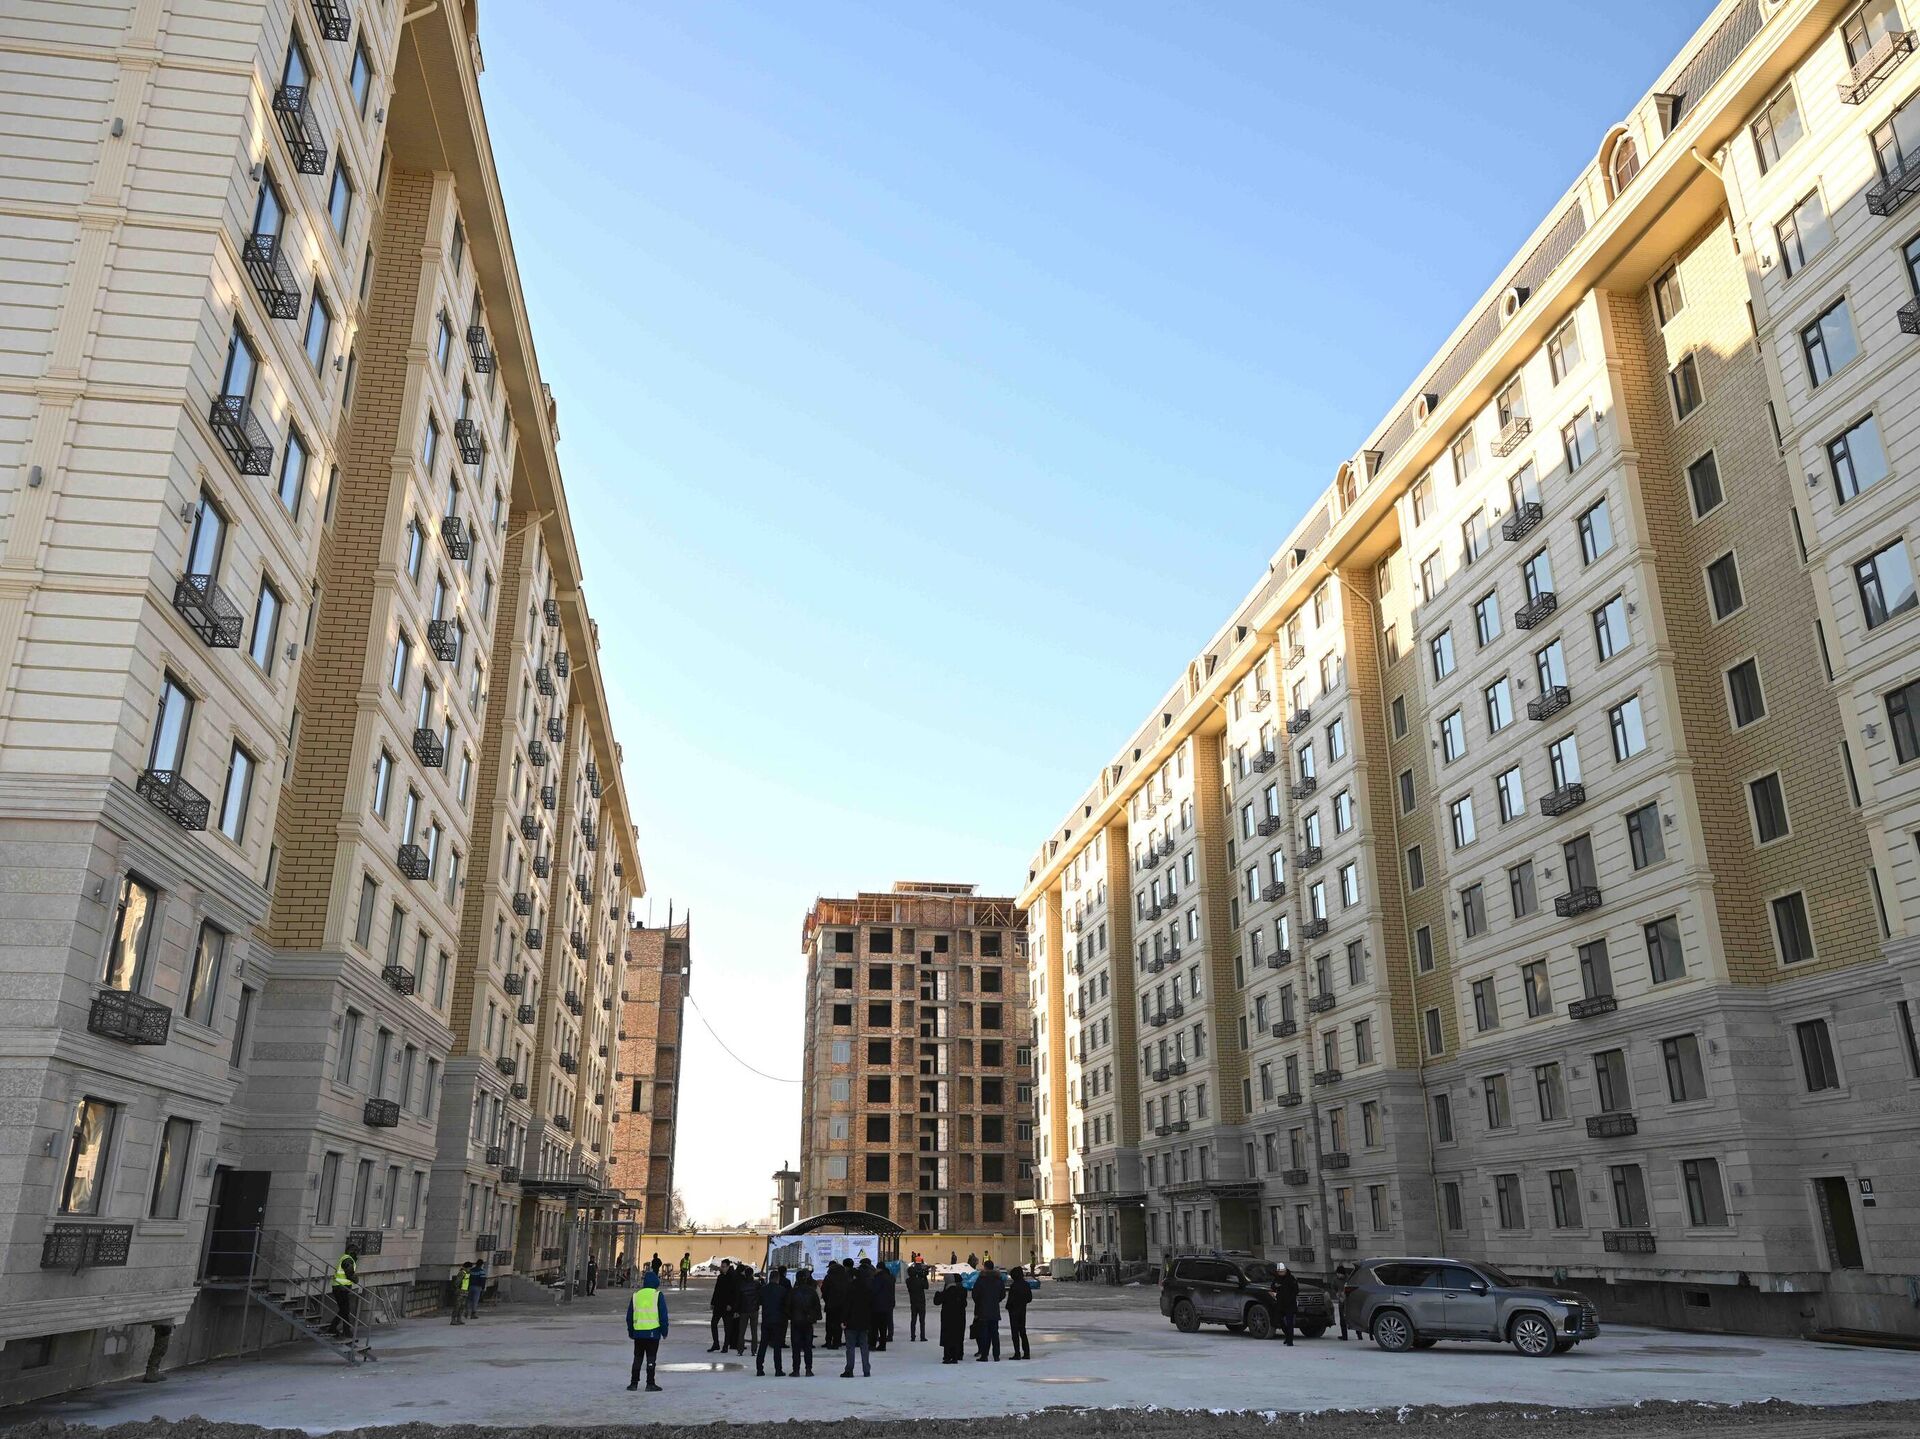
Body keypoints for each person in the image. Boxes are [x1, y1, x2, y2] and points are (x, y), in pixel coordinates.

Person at [626, 1267, 669, 1392]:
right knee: (651, 1358)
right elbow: (663, 1316)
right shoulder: (657, 1295)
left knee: (637, 1358)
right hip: (653, 1333)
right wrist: (664, 1331)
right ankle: (650, 1383)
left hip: (638, 1333)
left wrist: (631, 1331)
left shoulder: (636, 1296)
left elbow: (629, 1316)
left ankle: (633, 1383)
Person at [839, 1258, 873, 1378]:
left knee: (850, 1347)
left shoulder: (850, 1288)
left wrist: (843, 1320)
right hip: (864, 1321)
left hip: (851, 1321)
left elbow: (846, 1305)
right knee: (864, 1346)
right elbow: (871, 1306)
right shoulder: (868, 1288)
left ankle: (849, 1370)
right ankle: (866, 1370)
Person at [756, 1264, 791, 1375]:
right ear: (777, 1279)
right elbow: (786, 1305)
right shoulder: (782, 1290)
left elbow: (759, 1302)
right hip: (778, 1320)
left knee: (763, 1345)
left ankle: (759, 1369)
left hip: (766, 1319)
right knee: (777, 1347)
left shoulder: (763, 1290)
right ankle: (778, 1369)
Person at [788, 1266, 821, 1377]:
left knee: (796, 1347)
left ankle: (796, 1370)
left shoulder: (793, 1292)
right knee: (808, 1347)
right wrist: (814, 1318)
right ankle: (808, 1369)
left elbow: (787, 1307)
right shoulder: (812, 1292)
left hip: (796, 1321)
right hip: (808, 1321)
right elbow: (817, 1307)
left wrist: (790, 1316)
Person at [971, 1259, 1004, 1361]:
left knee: (984, 1334)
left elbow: (975, 1294)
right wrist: (995, 1301)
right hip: (994, 1311)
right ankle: (996, 1355)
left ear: (985, 1267)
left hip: (983, 1311)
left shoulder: (981, 1279)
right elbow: (1002, 1294)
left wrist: (980, 1303)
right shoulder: (998, 1279)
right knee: (995, 1334)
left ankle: (984, 1355)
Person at [934, 1272, 968, 1363]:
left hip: (947, 1317)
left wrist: (938, 1293)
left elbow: (937, 1302)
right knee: (957, 1335)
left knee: (947, 1336)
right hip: (959, 1316)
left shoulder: (946, 1292)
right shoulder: (960, 1291)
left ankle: (947, 1356)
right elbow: (964, 1304)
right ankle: (956, 1355)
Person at [328, 1245, 359, 1339]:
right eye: (356, 1252)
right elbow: (349, 1273)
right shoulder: (348, 1259)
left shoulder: (345, 1258)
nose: (357, 1255)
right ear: (353, 1252)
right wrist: (356, 1279)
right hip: (341, 1288)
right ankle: (345, 1331)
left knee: (344, 1310)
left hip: (340, 1288)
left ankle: (335, 1328)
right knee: (345, 1310)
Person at [868, 1257, 896, 1351]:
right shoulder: (890, 1278)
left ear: (879, 1269)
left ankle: (872, 1344)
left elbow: (874, 1291)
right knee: (883, 1327)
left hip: (877, 1306)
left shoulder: (878, 1278)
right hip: (887, 1305)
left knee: (874, 1327)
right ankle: (882, 1345)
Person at [734, 1263, 762, 1355]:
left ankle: (740, 1350)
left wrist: (736, 1310)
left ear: (745, 1274)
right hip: (754, 1310)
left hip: (744, 1310)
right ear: (752, 1274)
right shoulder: (756, 1284)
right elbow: (762, 1292)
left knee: (741, 1331)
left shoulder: (741, 1285)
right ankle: (754, 1350)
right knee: (754, 1331)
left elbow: (738, 1298)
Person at [1006, 1265, 1033, 1359]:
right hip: (1022, 1310)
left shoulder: (1014, 1286)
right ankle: (1026, 1352)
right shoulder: (1026, 1285)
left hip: (1014, 1311)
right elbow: (1029, 1298)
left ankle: (1017, 1353)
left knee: (1015, 1333)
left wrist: (1008, 1306)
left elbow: (1010, 1299)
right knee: (1022, 1332)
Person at [1271, 1262, 1299, 1347]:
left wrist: (1290, 1299)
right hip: (1280, 1304)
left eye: (1283, 1271)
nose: (1281, 1273)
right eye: (1280, 1272)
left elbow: (1296, 1290)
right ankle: (1287, 1335)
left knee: (1289, 1323)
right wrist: (1275, 1287)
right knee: (1280, 1321)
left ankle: (1290, 1340)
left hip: (1290, 1304)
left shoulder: (1291, 1278)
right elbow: (1273, 1287)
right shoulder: (1277, 1278)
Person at [708, 1259, 732, 1352]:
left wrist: (731, 1304)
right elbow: (716, 1291)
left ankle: (725, 1346)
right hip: (718, 1305)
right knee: (713, 1323)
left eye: (724, 1266)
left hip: (727, 1306)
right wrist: (713, 1303)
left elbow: (734, 1292)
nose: (722, 1268)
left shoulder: (732, 1277)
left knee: (727, 1327)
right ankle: (716, 1343)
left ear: (728, 1267)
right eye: (721, 1266)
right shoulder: (720, 1277)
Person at [904, 1254, 930, 1341]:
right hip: (921, 1302)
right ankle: (922, 1336)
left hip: (913, 1302)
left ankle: (912, 1336)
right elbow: (926, 1286)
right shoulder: (919, 1280)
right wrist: (924, 1276)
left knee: (913, 1320)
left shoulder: (908, 1281)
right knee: (922, 1321)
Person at [822, 1257, 845, 1350]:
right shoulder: (844, 1277)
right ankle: (837, 1342)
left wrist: (827, 1300)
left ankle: (828, 1341)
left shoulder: (828, 1277)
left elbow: (824, 1290)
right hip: (841, 1306)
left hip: (830, 1305)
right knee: (838, 1324)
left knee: (829, 1324)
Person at [468, 1256, 488, 1320]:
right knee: (475, 1300)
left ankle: (466, 1312)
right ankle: (473, 1314)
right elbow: (483, 1280)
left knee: (469, 1300)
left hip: (470, 1286)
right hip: (477, 1287)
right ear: (481, 1264)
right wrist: (483, 1288)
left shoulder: (471, 1270)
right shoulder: (481, 1271)